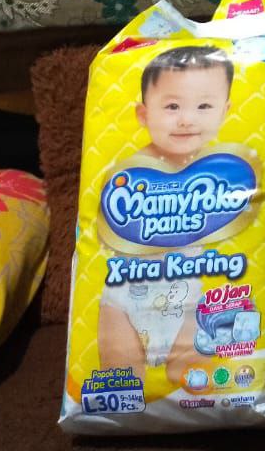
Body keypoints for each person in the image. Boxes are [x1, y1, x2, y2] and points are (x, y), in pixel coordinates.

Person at [98, 45, 233, 383]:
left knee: (187, 377)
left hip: (187, 296)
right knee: (122, 376)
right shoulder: (131, 170)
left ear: (224, 112)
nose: (187, 119)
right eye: (172, 106)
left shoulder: (221, 168)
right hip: (124, 296)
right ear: (144, 115)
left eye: (204, 106)